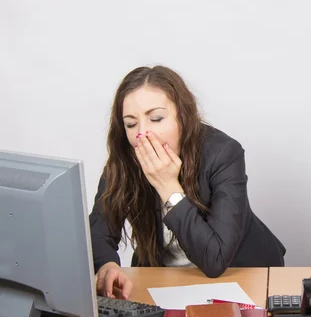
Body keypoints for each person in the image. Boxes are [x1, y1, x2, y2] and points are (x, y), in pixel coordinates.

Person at [91, 65, 286, 299]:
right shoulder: (126, 158)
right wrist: (107, 265)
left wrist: (168, 187)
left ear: (182, 117)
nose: (143, 134)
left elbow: (215, 260)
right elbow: (99, 230)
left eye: (156, 118)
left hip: (241, 275)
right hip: (166, 281)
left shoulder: (223, 153)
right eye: (131, 124)